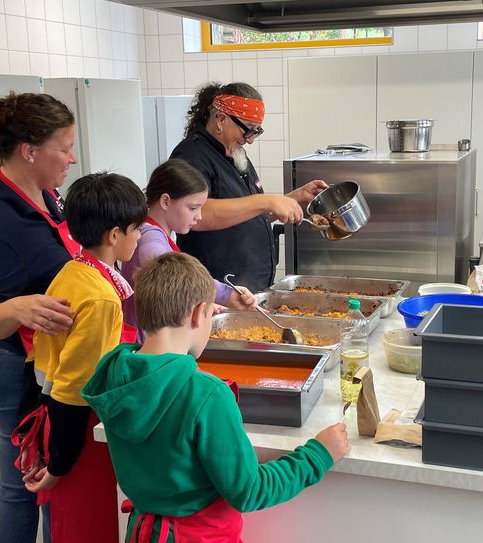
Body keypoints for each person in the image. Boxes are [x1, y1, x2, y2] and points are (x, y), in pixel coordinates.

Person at [81, 252, 350, 543]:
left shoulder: (115, 377)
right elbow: (249, 491)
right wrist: (318, 455)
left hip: (144, 532)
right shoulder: (206, 394)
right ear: (199, 313)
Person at [0, 91, 78, 543]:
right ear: (30, 151)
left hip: (42, 357)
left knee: (47, 475)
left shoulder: (46, 195)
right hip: (8, 360)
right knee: (22, 485)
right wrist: (16, 306)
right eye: (64, 147)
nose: (72, 156)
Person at [17, 172, 147, 542]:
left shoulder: (73, 271)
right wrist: (60, 463)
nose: (139, 238)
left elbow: (42, 362)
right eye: (136, 230)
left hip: (52, 418)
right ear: (114, 235)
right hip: (79, 431)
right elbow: (75, 392)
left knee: (67, 524)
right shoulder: (102, 299)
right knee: (86, 526)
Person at [170, 82, 328, 292]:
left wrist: (294, 198)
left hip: (248, 288)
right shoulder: (192, 156)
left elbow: (247, 212)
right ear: (221, 119)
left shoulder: (235, 154)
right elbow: (197, 215)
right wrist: (266, 200)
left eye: (256, 131)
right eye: (247, 130)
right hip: (216, 291)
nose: (251, 140)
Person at [121, 158, 258, 342]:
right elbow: (167, 271)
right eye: (193, 208)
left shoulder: (157, 232)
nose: (199, 216)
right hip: (143, 345)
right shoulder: (150, 236)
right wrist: (224, 294)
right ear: (166, 201)